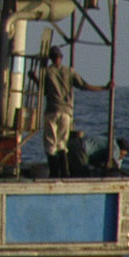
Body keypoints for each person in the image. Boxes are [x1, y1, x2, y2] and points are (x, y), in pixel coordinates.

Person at [36, 46, 110, 177]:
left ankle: (54, 173)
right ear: (61, 58)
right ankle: (65, 172)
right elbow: (84, 85)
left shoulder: (47, 72)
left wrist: (33, 78)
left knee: (50, 144)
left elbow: (44, 91)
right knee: (62, 143)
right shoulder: (69, 72)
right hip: (66, 112)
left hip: (52, 110)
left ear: (51, 58)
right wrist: (103, 88)